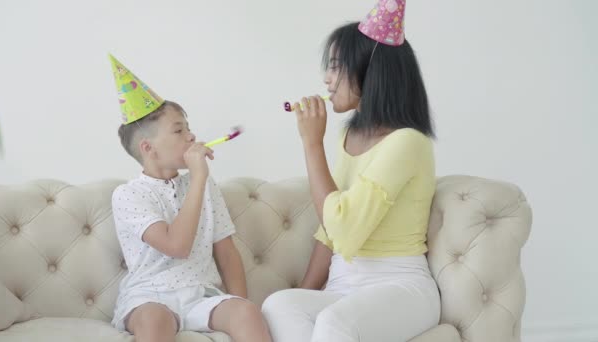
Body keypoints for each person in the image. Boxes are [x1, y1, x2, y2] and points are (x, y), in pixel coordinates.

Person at [262, 1, 440, 341]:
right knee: (279, 305)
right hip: (345, 290)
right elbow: (328, 232)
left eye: (334, 66)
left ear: (368, 71)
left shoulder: (407, 142)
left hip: (400, 287)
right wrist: (305, 293)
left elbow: (344, 228)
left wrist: (311, 145)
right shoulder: (349, 134)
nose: (326, 79)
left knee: (334, 324)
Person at [108, 55, 271, 342]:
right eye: (179, 130)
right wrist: (198, 178)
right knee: (154, 321)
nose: (191, 135)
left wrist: (239, 303)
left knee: (246, 313)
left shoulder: (205, 185)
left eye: (188, 126)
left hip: (201, 294)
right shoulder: (128, 195)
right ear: (149, 148)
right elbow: (176, 246)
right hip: (149, 294)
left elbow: (226, 251)